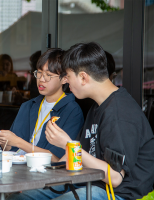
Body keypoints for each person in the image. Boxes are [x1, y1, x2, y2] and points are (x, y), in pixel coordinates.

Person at [9, 42, 154, 200]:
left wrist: (68, 144)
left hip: (119, 194)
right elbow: (78, 155)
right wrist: (37, 180)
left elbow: (115, 178)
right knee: (23, 196)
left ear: (83, 77)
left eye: (69, 77)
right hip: (89, 182)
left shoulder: (120, 113)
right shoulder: (96, 107)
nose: (67, 83)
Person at [0, 48, 84, 162]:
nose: (41, 79)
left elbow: (57, 159)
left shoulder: (72, 111)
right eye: (39, 73)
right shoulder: (28, 106)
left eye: (48, 75)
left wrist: (17, 141)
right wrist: (2, 140)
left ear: (65, 79)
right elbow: (11, 150)